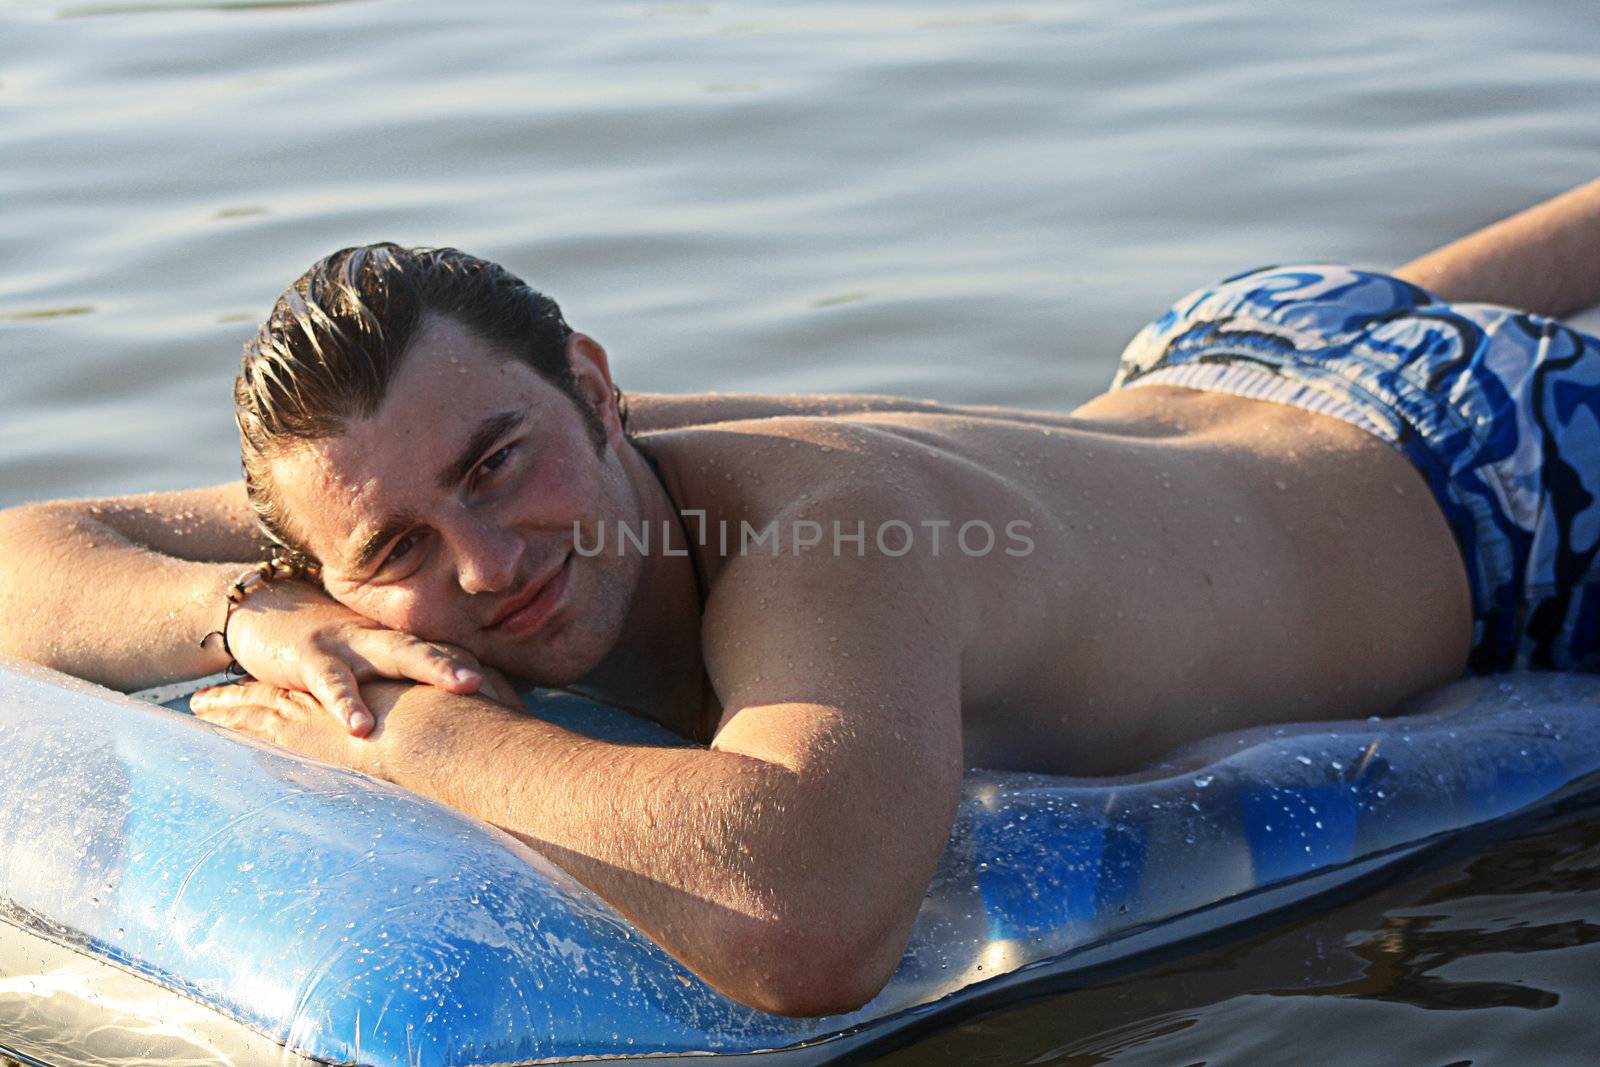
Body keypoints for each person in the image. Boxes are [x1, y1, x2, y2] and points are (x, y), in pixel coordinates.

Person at [2, 178, 1599, 1016]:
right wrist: (243, 622)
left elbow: (808, 919)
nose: (479, 564)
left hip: (1495, 485)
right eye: (394, 553)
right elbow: (31, 547)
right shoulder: (406, 484)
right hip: (1235, 356)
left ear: (595, 389)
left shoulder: (833, 531)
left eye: (497, 466)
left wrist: (383, 725)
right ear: (322, 551)